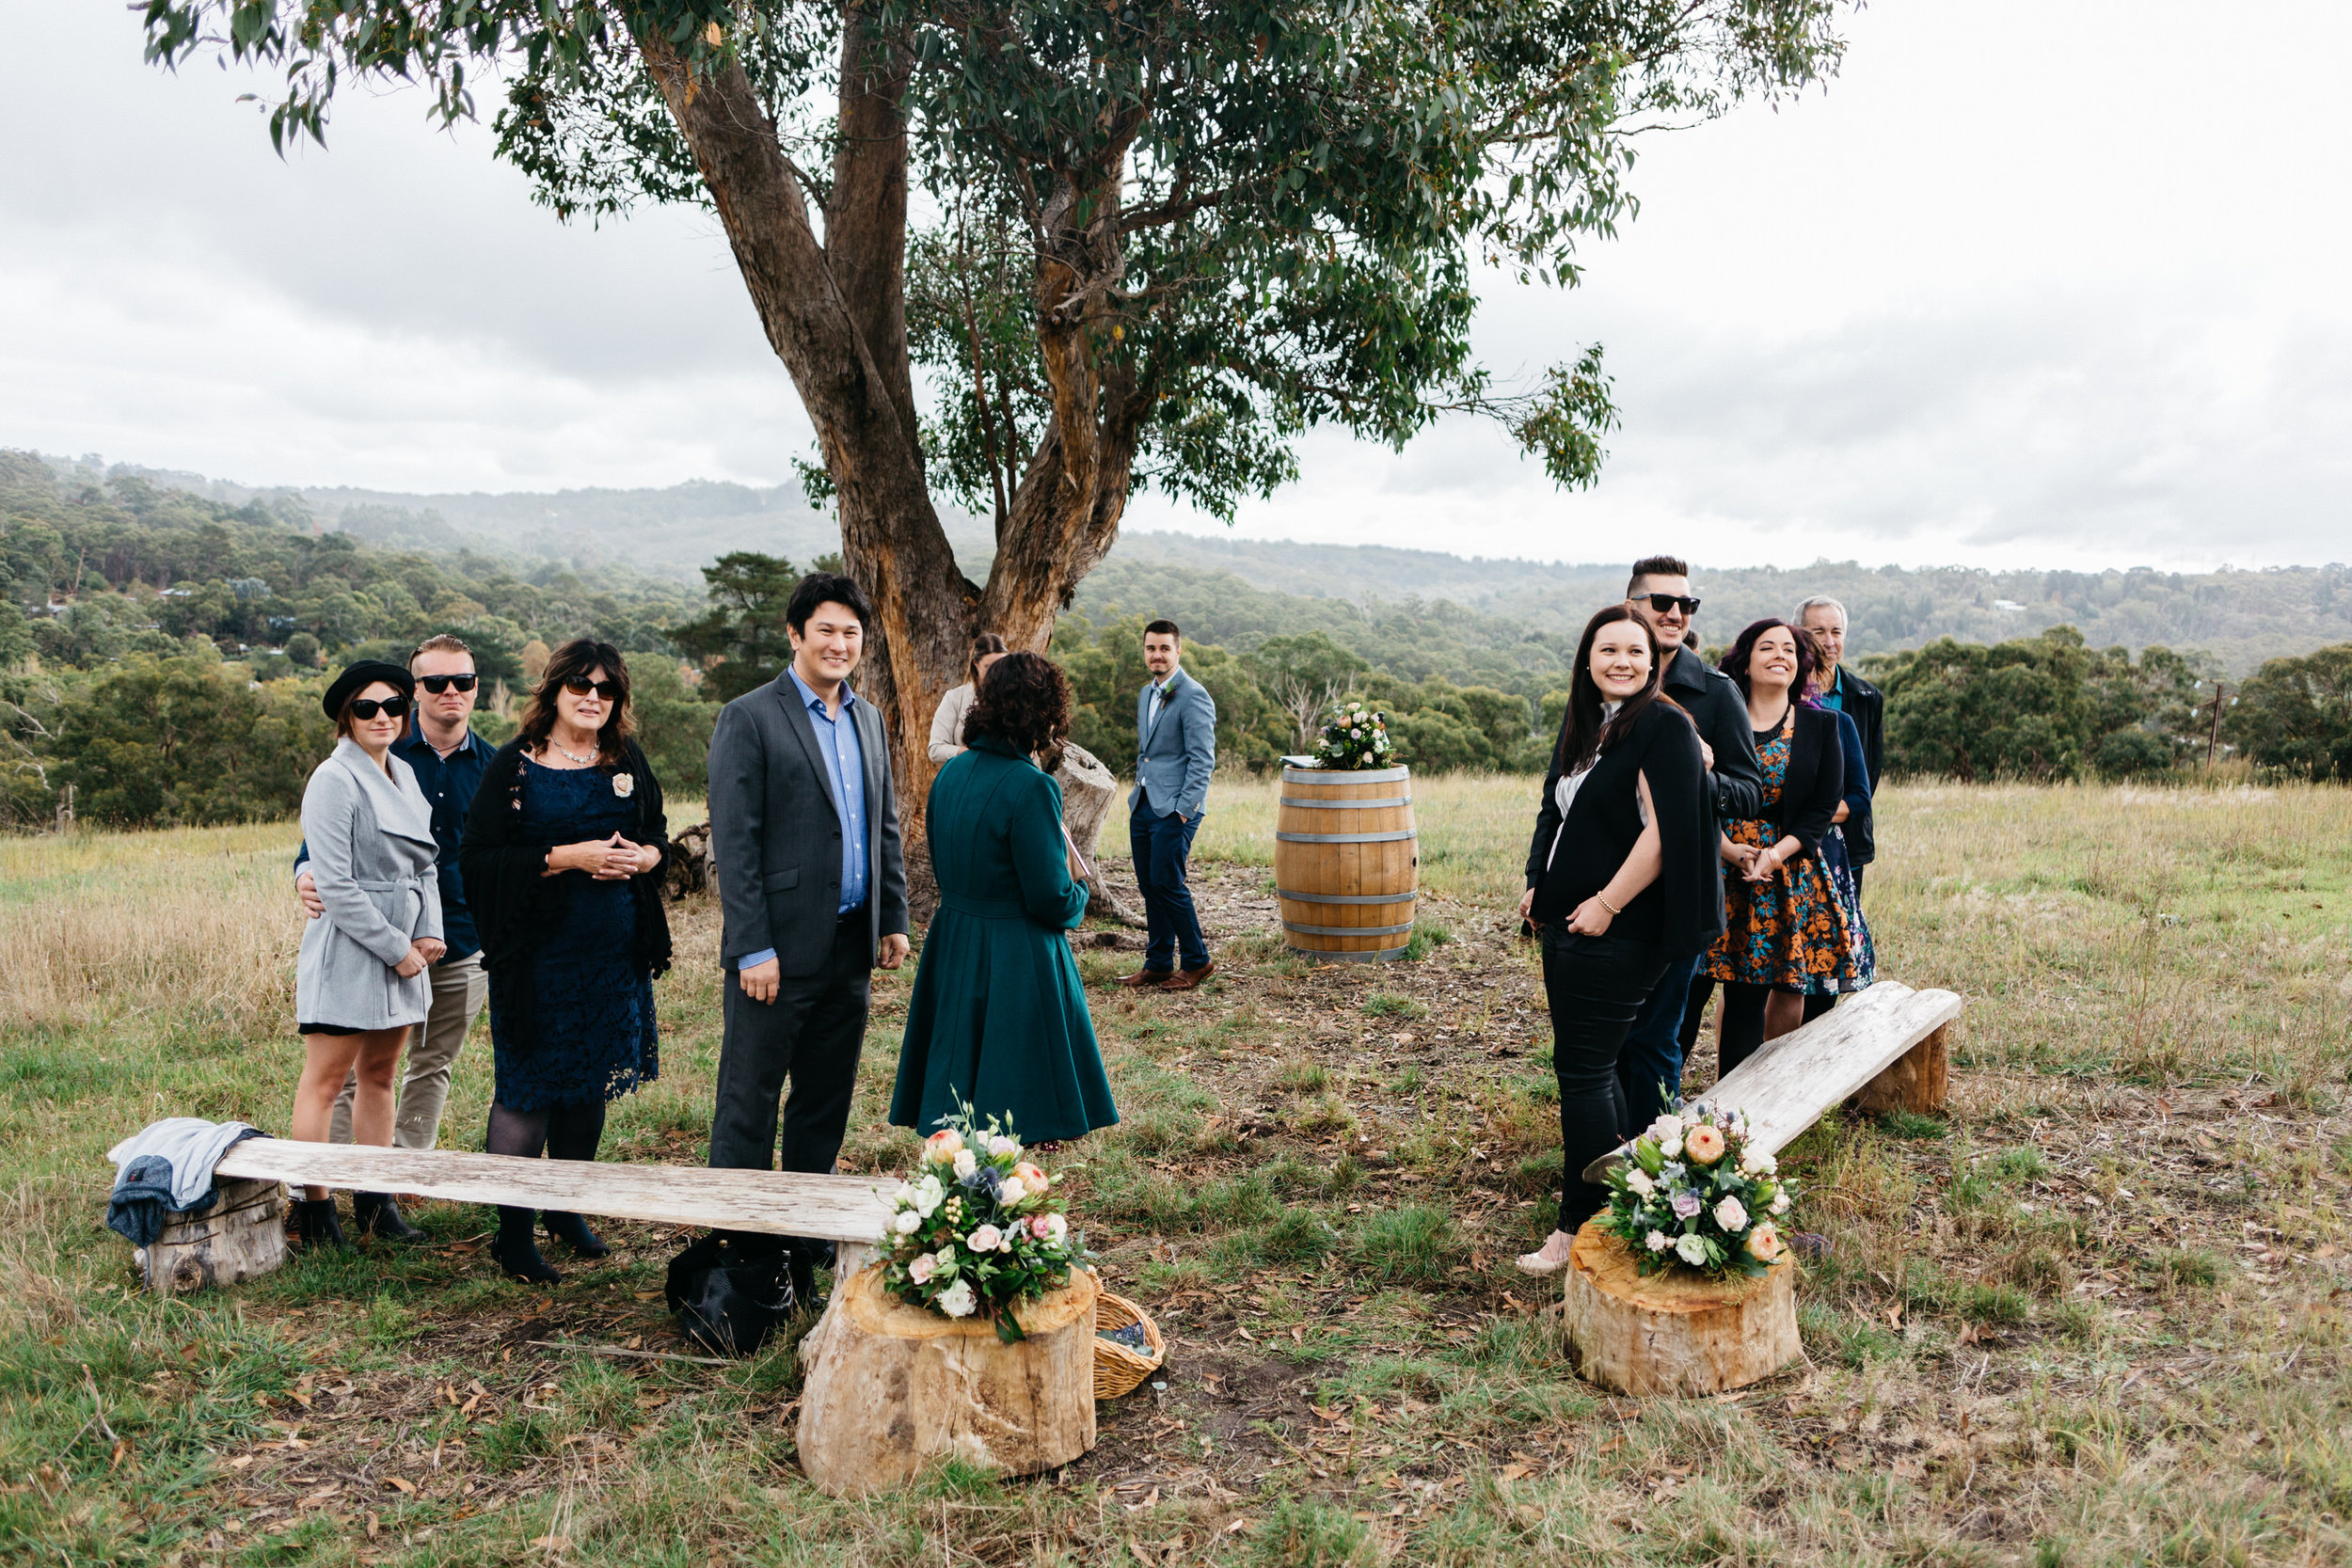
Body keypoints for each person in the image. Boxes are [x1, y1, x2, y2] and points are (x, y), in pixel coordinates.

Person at [706, 571, 910, 1302]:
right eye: (826, 629)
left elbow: (882, 824)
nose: (840, 643)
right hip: (776, 953)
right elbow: (736, 841)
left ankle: (807, 1228)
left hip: (850, 945)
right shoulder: (751, 717)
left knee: (824, 1100)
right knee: (750, 1099)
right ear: (795, 635)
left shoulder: (870, 719)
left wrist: (892, 917)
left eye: (851, 632)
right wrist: (753, 945)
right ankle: (740, 1247)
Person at [460, 640, 673, 1283]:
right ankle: (514, 1235)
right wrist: (565, 857)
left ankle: (566, 1206)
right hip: (536, 958)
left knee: (589, 1080)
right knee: (527, 1091)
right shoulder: (514, 768)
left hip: (611, 954)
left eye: (607, 690)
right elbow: (477, 858)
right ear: (553, 690)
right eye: (581, 684)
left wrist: (644, 859)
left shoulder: (626, 756)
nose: (593, 697)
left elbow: (659, 834)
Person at [1513, 607, 1713, 1276]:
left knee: (1585, 1072)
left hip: (1622, 928)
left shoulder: (1664, 726)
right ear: (1587, 658)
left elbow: (1662, 835)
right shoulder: (1590, 722)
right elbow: (1561, 810)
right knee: (1585, 1068)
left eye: (1636, 650)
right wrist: (1539, 885)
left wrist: (1605, 902)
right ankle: (1623, 1206)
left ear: (1655, 660)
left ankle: (1582, 1226)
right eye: (1608, 650)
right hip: (1568, 924)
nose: (1622, 661)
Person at [292, 634, 489, 1241]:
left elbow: (425, 862)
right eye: (366, 708)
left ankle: (377, 1202)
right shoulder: (334, 778)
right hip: (357, 945)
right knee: (328, 1080)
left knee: (383, 1074)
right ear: (344, 718)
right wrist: (400, 950)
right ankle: (313, 1205)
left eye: (391, 707)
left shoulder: (402, 771)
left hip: (420, 942)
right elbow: (336, 882)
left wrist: (427, 934)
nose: (382, 716)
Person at [891, 652, 1119, 1147]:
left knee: (962, 1070)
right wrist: (1079, 890)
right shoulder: (1031, 787)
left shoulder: (949, 775)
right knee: (1012, 1084)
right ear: (1045, 713)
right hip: (1015, 952)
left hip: (953, 939)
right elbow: (1051, 900)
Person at [1612, 556, 1763, 1131]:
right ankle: (1605, 1144)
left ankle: (1649, 1163)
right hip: (1602, 884)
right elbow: (1559, 786)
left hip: (1679, 888)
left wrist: (1696, 781)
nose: (1676, 613)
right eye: (1663, 602)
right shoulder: (1604, 682)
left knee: (1656, 1033)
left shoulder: (1717, 694)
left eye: (1687, 604)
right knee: (1608, 1034)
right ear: (1632, 608)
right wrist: (1536, 875)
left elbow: (1749, 791)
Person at [1685, 619, 1858, 1079]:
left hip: (1782, 871)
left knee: (1753, 993)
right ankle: (1656, 1104)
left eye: (1789, 648)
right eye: (1767, 647)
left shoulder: (1823, 725)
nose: (1780, 654)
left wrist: (1772, 855)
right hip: (1714, 859)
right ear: (1746, 659)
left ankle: (1735, 1107)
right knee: (1688, 990)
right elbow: (1689, 791)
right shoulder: (1717, 716)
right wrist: (1729, 849)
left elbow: (1821, 809)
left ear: (1800, 664)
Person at [1118, 619, 1217, 990]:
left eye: (1164, 648)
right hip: (1143, 802)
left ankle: (1197, 960)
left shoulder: (1194, 695)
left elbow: (1202, 759)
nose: (1156, 655)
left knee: (1167, 882)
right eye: (1150, 648)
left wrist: (1184, 808)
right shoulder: (1146, 694)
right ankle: (1158, 962)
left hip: (1176, 808)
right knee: (1148, 884)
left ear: (1178, 651)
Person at [1794, 595, 1883, 900]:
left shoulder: (1867, 697)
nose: (1829, 641)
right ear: (1798, 633)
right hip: (1785, 840)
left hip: (1847, 839)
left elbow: (1868, 777)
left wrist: (1816, 815)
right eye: (1818, 632)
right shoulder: (1776, 693)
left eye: (1836, 631)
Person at [927, 632, 1009, 764]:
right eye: (989, 667)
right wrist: (964, 752)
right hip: (967, 772)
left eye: (1000, 666)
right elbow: (935, 750)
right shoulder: (955, 697)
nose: (996, 673)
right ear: (976, 663)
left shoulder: (1015, 698)